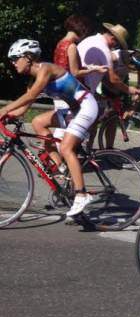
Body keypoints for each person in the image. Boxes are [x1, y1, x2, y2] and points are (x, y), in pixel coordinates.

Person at [0, 39, 98, 216]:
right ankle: (60, 166)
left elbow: (30, 96)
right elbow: (23, 109)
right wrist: (7, 116)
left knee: (67, 147)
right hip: (72, 110)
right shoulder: (34, 79)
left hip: (86, 106)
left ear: (28, 57)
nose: (13, 63)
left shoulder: (45, 69)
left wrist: (5, 109)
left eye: (15, 58)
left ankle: (81, 194)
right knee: (38, 122)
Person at [32, 15, 106, 169]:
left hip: (59, 91)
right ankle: (60, 162)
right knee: (67, 129)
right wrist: (95, 69)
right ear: (82, 29)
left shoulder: (60, 44)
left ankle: (56, 161)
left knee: (62, 126)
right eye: (85, 31)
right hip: (70, 92)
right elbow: (75, 72)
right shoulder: (71, 46)